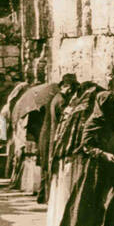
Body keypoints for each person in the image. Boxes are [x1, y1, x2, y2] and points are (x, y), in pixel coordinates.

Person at [60, 84, 114, 226]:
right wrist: (104, 154)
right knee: (94, 201)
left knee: (113, 200)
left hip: (112, 168)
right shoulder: (93, 122)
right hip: (95, 169)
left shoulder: (113, 121)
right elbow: (86, 146)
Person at [45, 80, 100, 226]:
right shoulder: (81, 111)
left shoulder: (73, 108)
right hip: (71, 156)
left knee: (64, 188)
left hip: (62, 153)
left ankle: (62, 225)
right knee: (68, 190)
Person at [37, 72, 78, 204]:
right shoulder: (60, 100)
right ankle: (47, 196)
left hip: (49, 135)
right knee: (51, 167)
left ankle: (44, 195)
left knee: (48, 167)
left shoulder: (57, 98)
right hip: (52, 136)